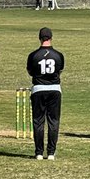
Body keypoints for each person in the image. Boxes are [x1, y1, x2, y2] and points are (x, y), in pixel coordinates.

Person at [27, 26, 65, 161]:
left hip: (38, 89)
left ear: (39, 38)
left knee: (38, 121)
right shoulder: (58, 55)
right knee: (53, 122)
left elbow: (30, 72)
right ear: (51, 38)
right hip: (54, 89)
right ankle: (51, 153)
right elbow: (59, 71)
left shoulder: (33, 55)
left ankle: (38, 152)